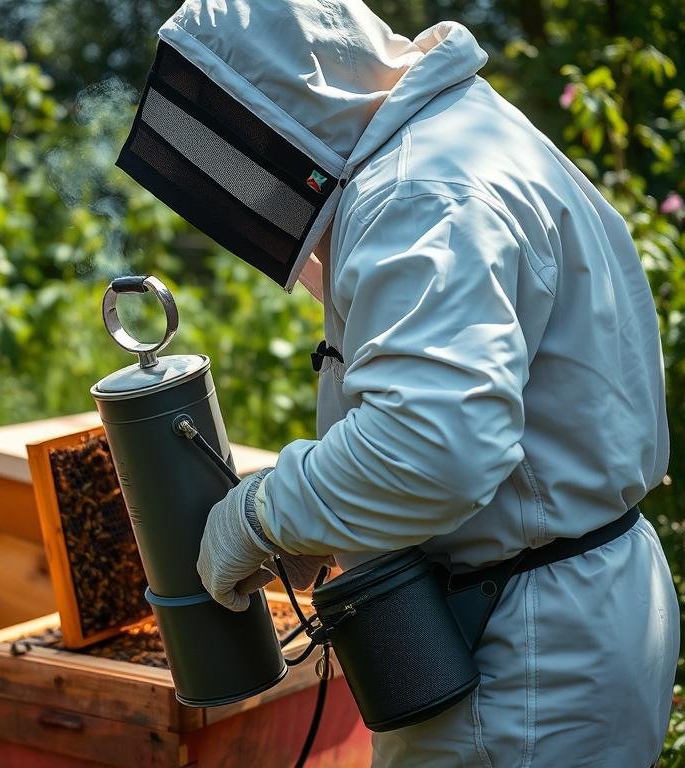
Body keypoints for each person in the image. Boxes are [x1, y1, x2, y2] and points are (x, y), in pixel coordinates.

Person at [115, 0, 679, 765]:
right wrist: (334, 517)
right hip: (554, 609)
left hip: (518, 652)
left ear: (274, 98)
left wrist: (262, 515)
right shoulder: (462, 139)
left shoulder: (421, 193)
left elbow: (431, 450)